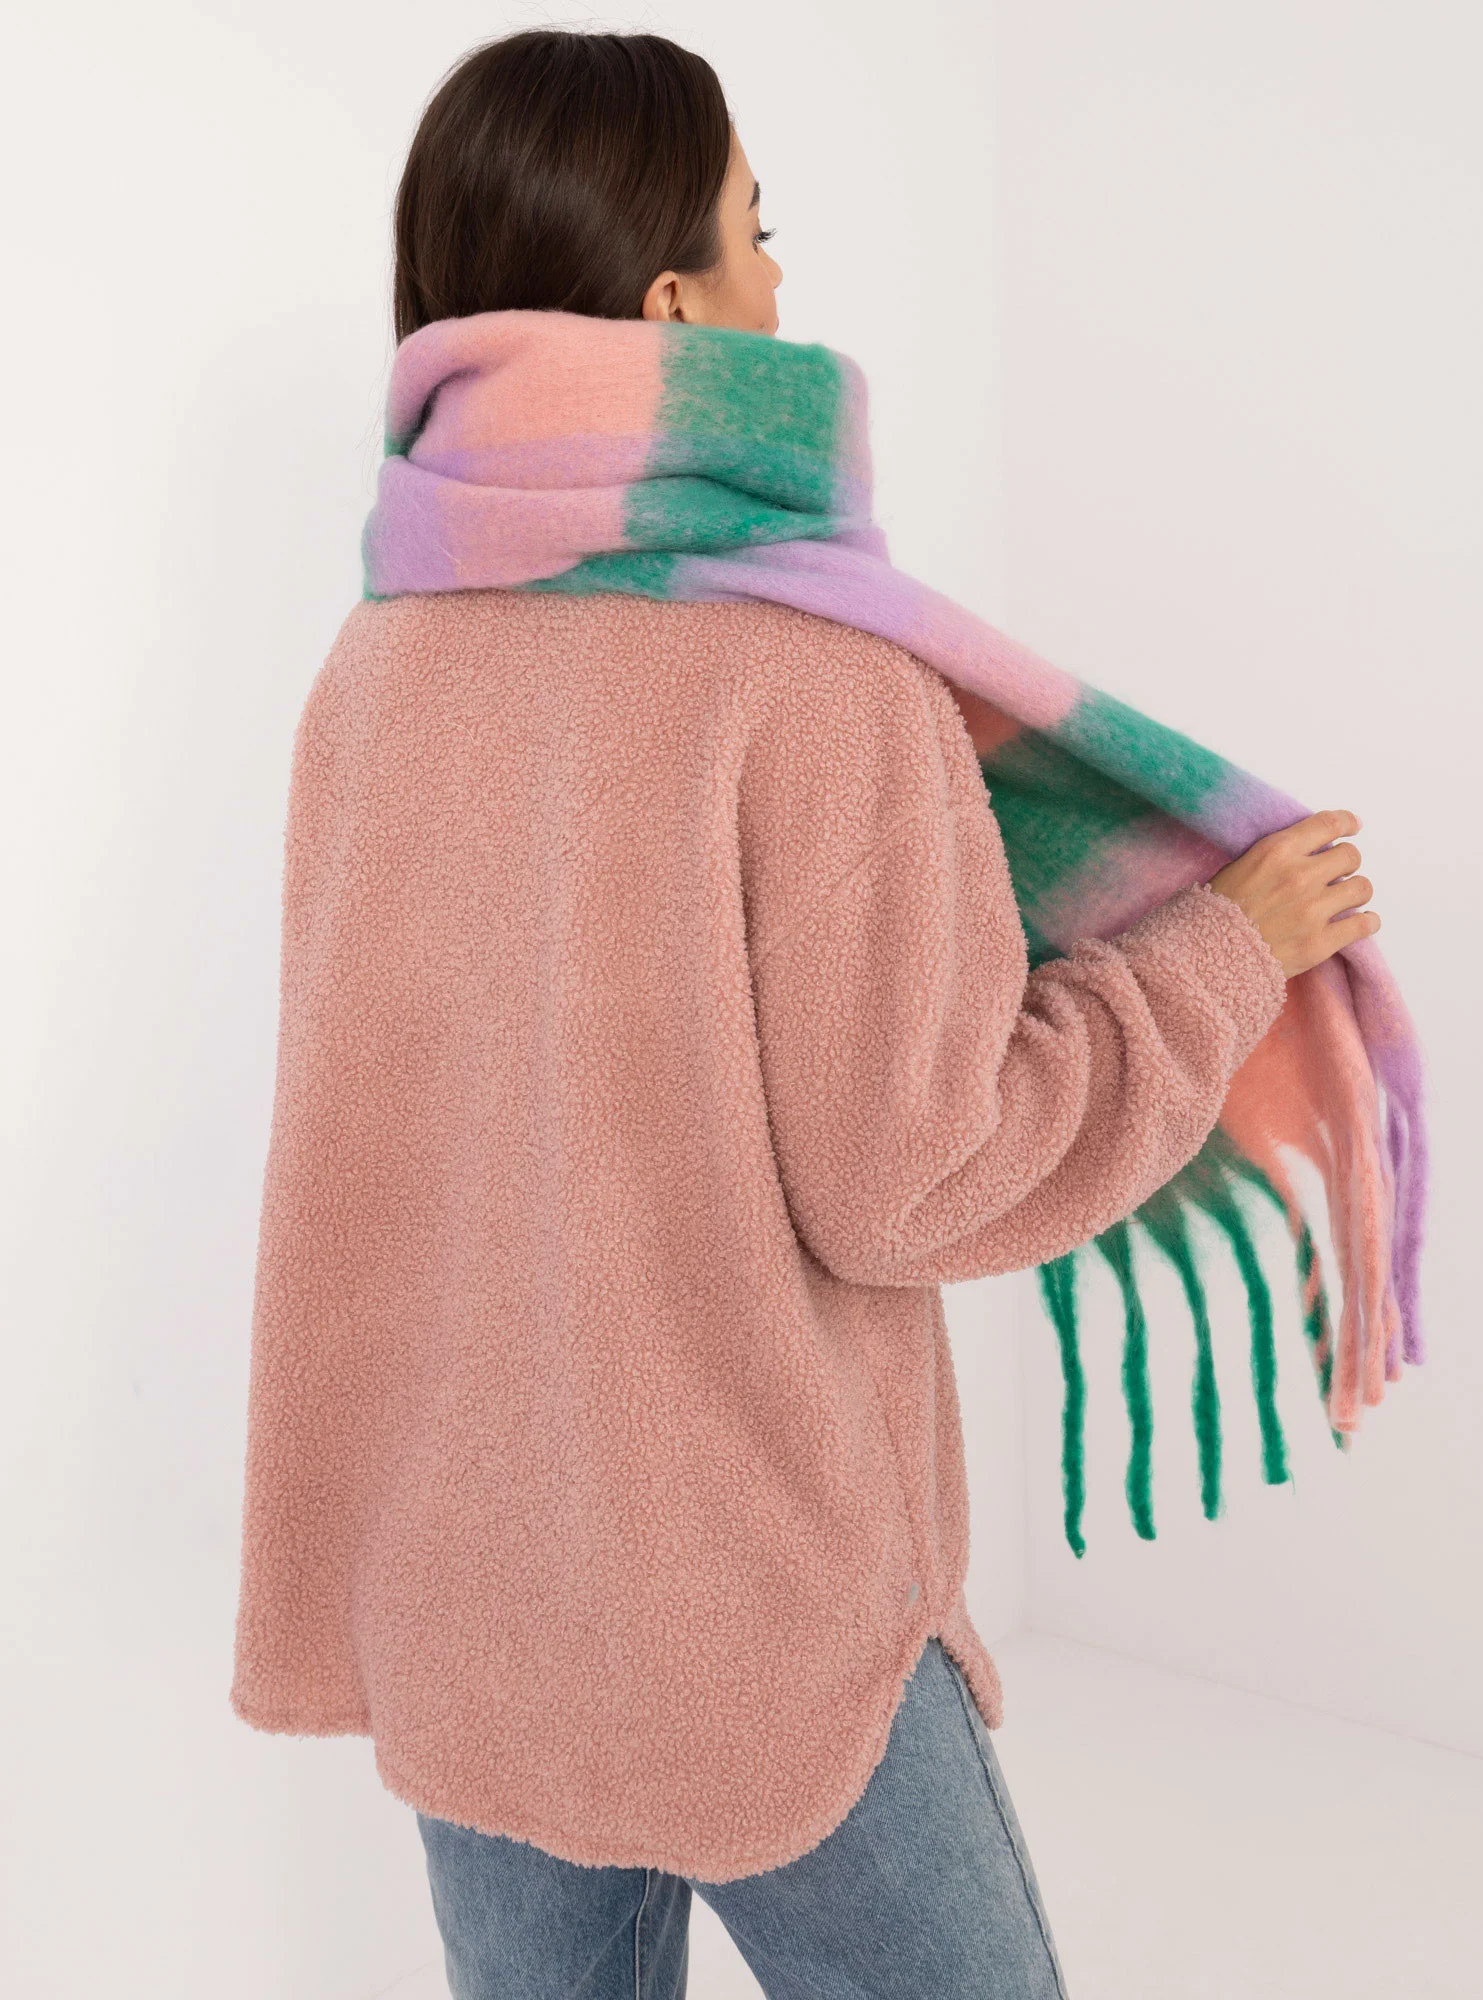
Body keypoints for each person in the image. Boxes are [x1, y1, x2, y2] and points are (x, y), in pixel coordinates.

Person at [231, 30, 1380, 2000]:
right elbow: (921, 1174)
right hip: (752, 1619)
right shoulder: (812, 671)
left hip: (467, 1589)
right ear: (676, 310)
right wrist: (1220, 955)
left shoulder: (380, 661)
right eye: (759, 234)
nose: (780, 282)